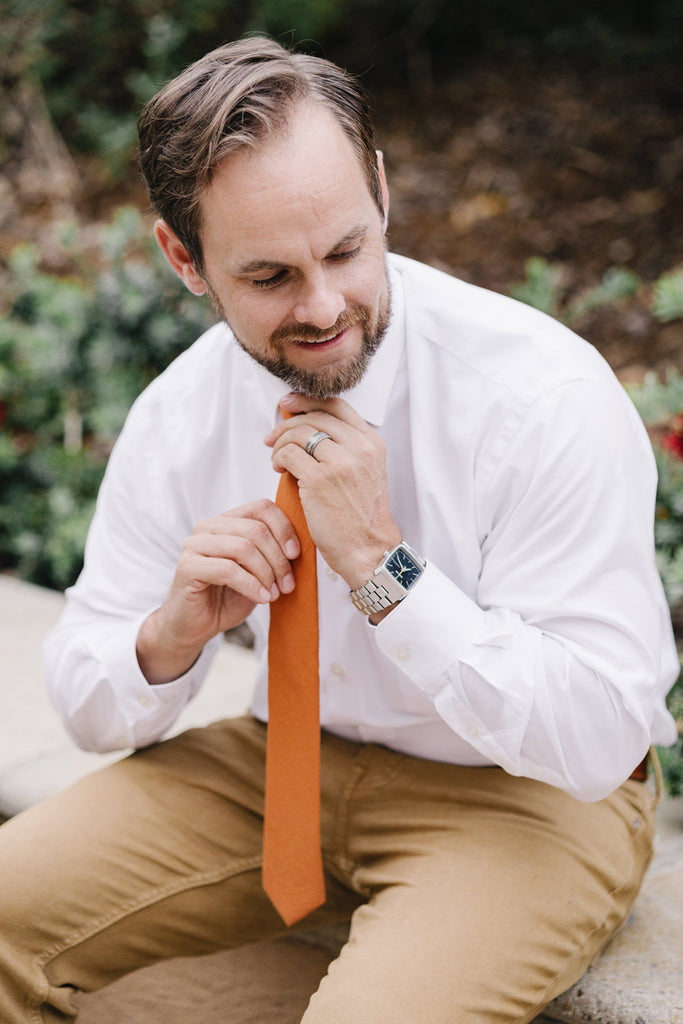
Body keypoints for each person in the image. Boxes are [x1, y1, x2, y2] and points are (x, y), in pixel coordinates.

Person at [0, 36, 678, 1024]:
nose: (324, 307)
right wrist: (171, 632)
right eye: (270, 275)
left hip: (520, 794)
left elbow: (597, 734)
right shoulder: (180, 413)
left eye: (347, 251)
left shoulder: (539, 396)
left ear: (380, 191)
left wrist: (382, 567)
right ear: (182, 258)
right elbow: (90, 701)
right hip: (276, 762)